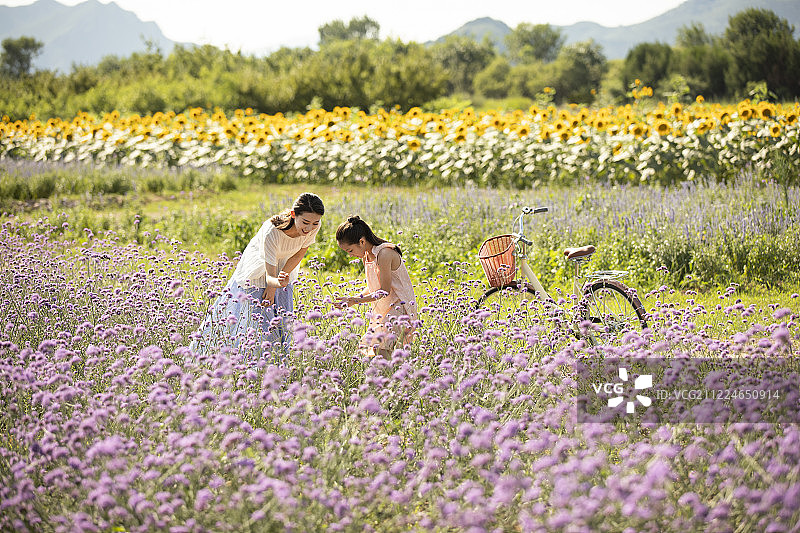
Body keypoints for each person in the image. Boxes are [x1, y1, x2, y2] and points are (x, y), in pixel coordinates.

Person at [191, 192, 324, 359]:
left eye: (315, 223)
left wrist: (283, 276)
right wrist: (273, 286)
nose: (309, 228)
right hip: (262, 269)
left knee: (283, 317)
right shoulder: (272, 232)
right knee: (260, 319)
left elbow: (298, 255)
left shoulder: (313, 226)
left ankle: (280, 363)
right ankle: (251, 362)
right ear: (293, 215)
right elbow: (269, 275)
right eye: (305, 222)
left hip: (284, 266)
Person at [335, 216, 418, 356]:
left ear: (361, 241)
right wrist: (352, 299)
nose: (350, 255)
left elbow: (384, 291)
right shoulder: (366, 255)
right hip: (383, 308)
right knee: (376, 350)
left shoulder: (385, 253)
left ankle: (392, 377)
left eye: (350, 250)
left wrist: (356, 301)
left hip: (399, 306)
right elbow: (373, 287)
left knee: (383, 350)